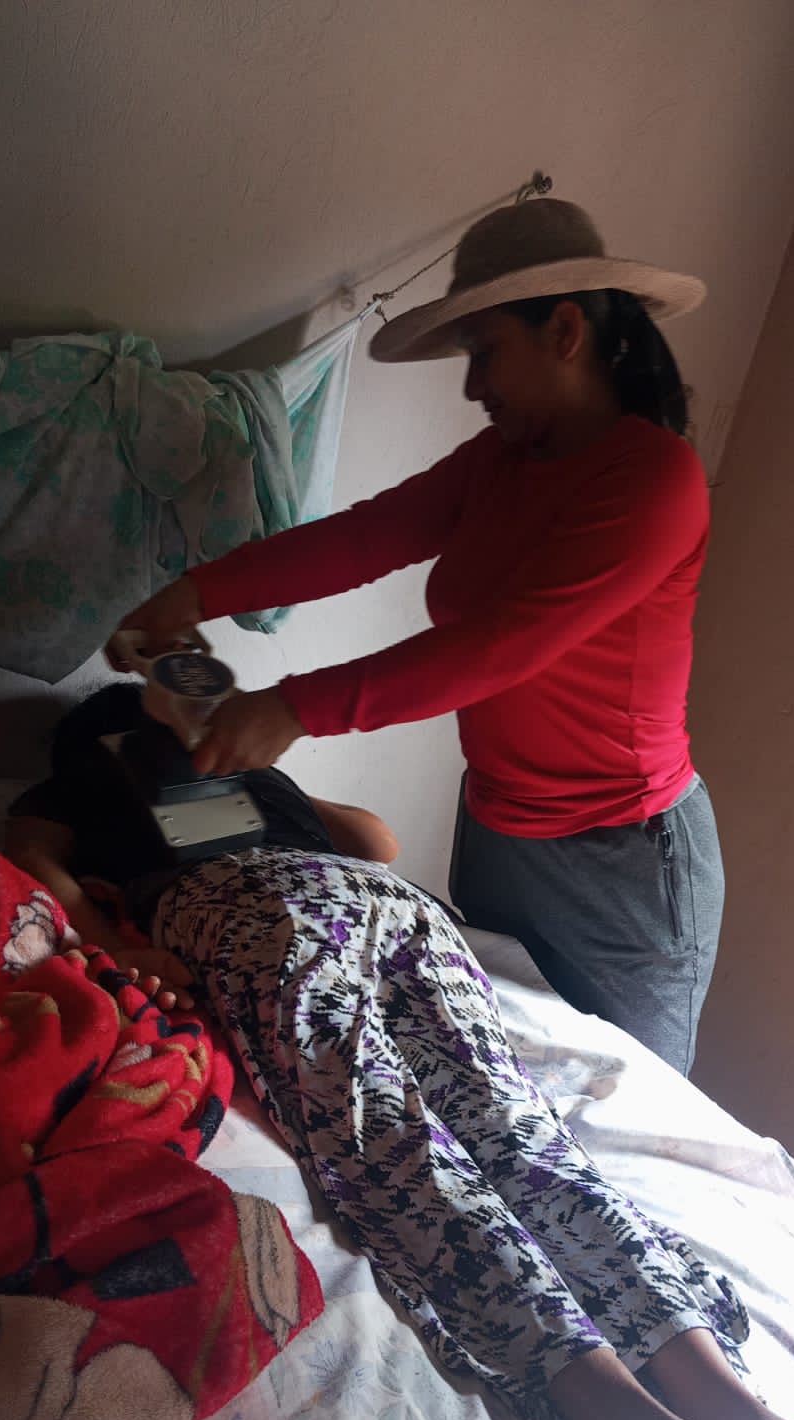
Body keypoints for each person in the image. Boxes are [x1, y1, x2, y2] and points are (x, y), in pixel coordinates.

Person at [6, 687, 794, 1420]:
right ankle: (742, 1415)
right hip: (399, 915)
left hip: (252, 914)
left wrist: (114, 941)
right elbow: (377, 842)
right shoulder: (247, 775)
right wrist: (257, 773)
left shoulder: (75, 785)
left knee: (404, 1162)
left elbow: (35, 868)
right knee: (522, 1143)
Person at [107, 196, 724, 1076]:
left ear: (563, 331)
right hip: (498, 828)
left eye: (485, 352)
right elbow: (359, 539)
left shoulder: (654, 480)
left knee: (629, 1102)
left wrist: (291, 708)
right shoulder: (497, 462)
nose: (472, 387)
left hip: (619, 858)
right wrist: (191, 594)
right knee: (495, 1071)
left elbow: (500, 646)